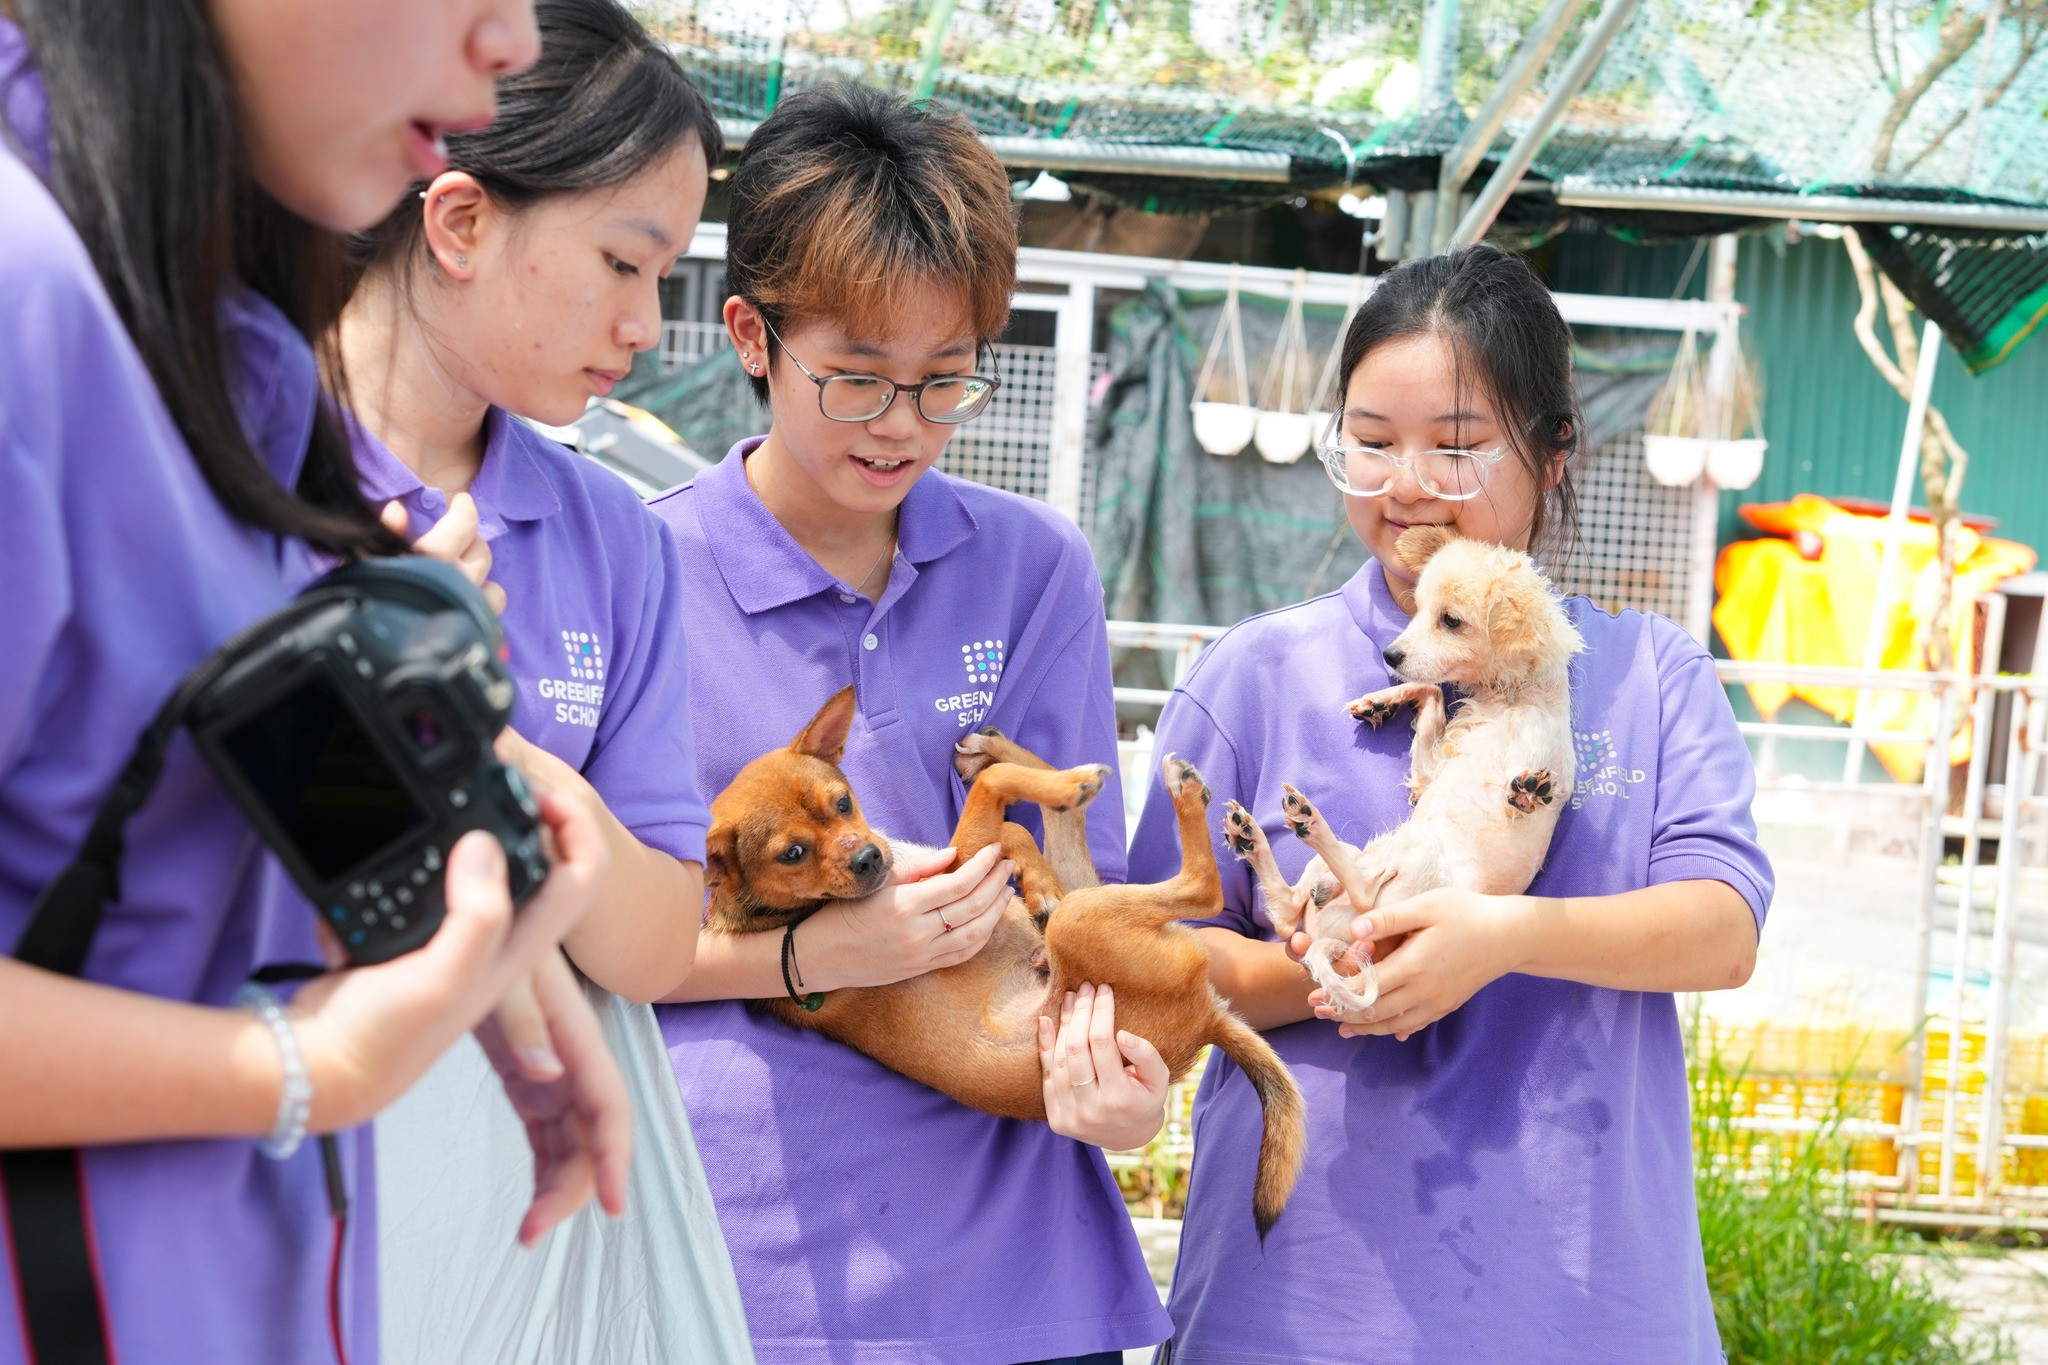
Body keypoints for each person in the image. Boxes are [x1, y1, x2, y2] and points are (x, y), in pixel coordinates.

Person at [0, 2, 627, 1363]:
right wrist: (305, 1064)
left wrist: (458, 926)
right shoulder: (23, 294)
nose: (513, 41)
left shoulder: (223, 341)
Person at [1127, 244, 1772, 1362]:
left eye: (1457, 447)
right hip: (1299, 1307)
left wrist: (1501, 939)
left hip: (1581, 1306)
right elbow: (1161, 964)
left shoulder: (1648, 674)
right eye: (1368, 444)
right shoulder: (1253, 675)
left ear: (1555, 450)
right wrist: (1357, 967)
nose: (1405, 483)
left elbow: (1720, 931)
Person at [649, 84, 1174, 1365]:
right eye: (857, 380)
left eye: (944, 385)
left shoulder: (1032, 566)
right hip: (746, 1264)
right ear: (749, 335)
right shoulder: (642, 573)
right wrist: (831, 951)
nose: (901, 428)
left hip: (1014, 1272)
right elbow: (597, 937)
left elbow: (1070, 878)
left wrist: (1113, 1084)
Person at [333, 3, 752, 1358]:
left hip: (516, 1232)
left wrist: (493, 748)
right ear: (458, 223)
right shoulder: (229, 451)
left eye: (668, 276)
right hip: (268, 1155)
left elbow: (646, 940)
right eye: (625, 264)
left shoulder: (613, 538)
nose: (644, 324)